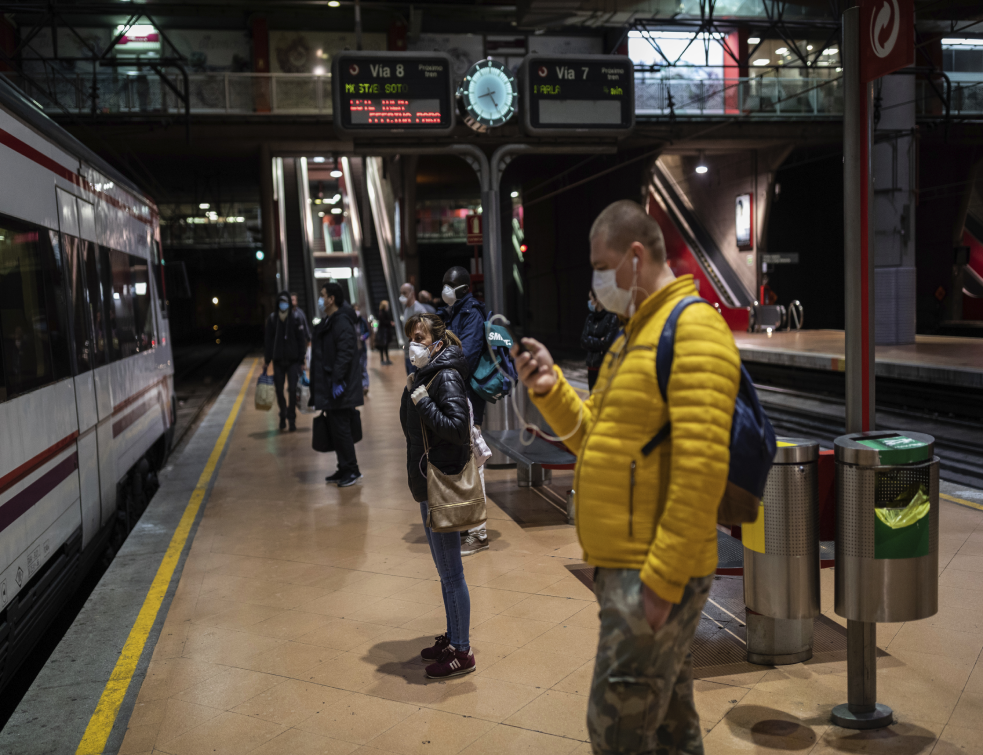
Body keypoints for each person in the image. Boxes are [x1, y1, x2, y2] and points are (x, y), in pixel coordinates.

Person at [512, 200, 741, 755]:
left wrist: (661, 582)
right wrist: (550, 391)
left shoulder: (693, 332)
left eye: (600, 264)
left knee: (614, 727)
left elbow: (701, 469)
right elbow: (598, 438)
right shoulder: (634, 335)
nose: (595, 280)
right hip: (626, 566)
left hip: (653, 574)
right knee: (669, 726)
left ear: (635, 258)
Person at [399, 313, 476, 679]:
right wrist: (415, 392)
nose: (413, 344)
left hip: (440, 481)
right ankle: (454, 637)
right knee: (445, 573)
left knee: (452, 573)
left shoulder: (443, 376)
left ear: (437, 342)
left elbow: (457, 429)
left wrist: (421, 399)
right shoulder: (426, 375)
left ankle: (463, 651)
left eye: (419, 337)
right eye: (410, 337)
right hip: (428, 481)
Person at [437, 266, 489, 556]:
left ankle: (479, 534)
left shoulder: (471, 315)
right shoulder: (452, 313)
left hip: (468, 396)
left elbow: (464, 356)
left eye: (449, 284)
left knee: (475, 461)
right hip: (453, 394)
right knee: (463, 458)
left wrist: (440, 360)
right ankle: (467, 524)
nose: (444, 289)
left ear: (463, 288)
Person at [311, 282, 364, 487]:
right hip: (332, 385)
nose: (321, 299)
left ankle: (352, 469)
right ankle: (344, 467)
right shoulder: (332, 320)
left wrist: (337, 380)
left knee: (342, 429)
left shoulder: (341, 321)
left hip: (341, 388)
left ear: (331, 299)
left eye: (323, 295)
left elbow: (345, 353)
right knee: (336, 428)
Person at [264, 290, 308, 432]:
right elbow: (268, 341)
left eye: (285, 302)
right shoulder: (272, 319)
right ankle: (283, 413)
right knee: (278, 389)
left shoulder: (295, 318)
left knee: (293, 389)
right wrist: (267, 359)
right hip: (278, 361)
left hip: (293, 361)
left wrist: (302, 360)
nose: (283, 305)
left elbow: (302, 340)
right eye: (280, 302)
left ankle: (291, 418)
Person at [580, 289, 620, 392]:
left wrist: (591, 341)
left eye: (590, 299)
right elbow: (583, 341)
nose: (589, 302)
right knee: (592, 398)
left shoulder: (611, 317)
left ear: (597, 299)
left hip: (604, 367)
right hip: (591, 367)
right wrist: (599, 341)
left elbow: (606, 343)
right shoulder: (590, 318)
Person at [400, 283, 430, 373]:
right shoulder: (407, 309)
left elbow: (425, 333)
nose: (402, 296)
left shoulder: (419, 310)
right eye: (401, 293)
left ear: (412, 293)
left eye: (404, 293)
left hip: (417, 355)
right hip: (408, 353)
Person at [354, 303, 371, 395]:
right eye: (355, 309)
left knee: (363, 366)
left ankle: (365, 386)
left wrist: (364, 336)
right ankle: (358, 386)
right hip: (353, 349)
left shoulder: (362, 321)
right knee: (356, 367)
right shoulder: (350, 321)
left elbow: (368, 332)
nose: (356, 311)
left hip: (362, 348)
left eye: (358, 309)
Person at [376, 300, 395, 365]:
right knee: (383, 346)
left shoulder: (381, 312)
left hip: (383, 332)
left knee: (384, 346)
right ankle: (384, 359)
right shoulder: (383, 313)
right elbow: (383, 322)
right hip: (384, 333)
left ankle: (385, 359)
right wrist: (390, 323)